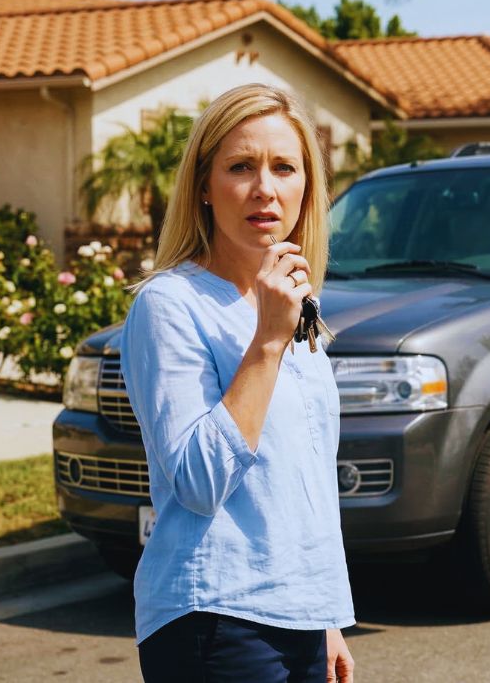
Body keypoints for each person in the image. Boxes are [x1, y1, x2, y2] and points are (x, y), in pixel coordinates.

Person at [120, 83, 355, 681]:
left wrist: (322, 614)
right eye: (240, 167)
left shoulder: (295, 302)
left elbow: (304, 481)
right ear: (203, 186)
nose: (265, 189)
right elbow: (198, 481)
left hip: (298, 616)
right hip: (215, 617)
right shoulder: (170, 305)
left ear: (308, 186)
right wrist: (268, 342)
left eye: (284, 167)